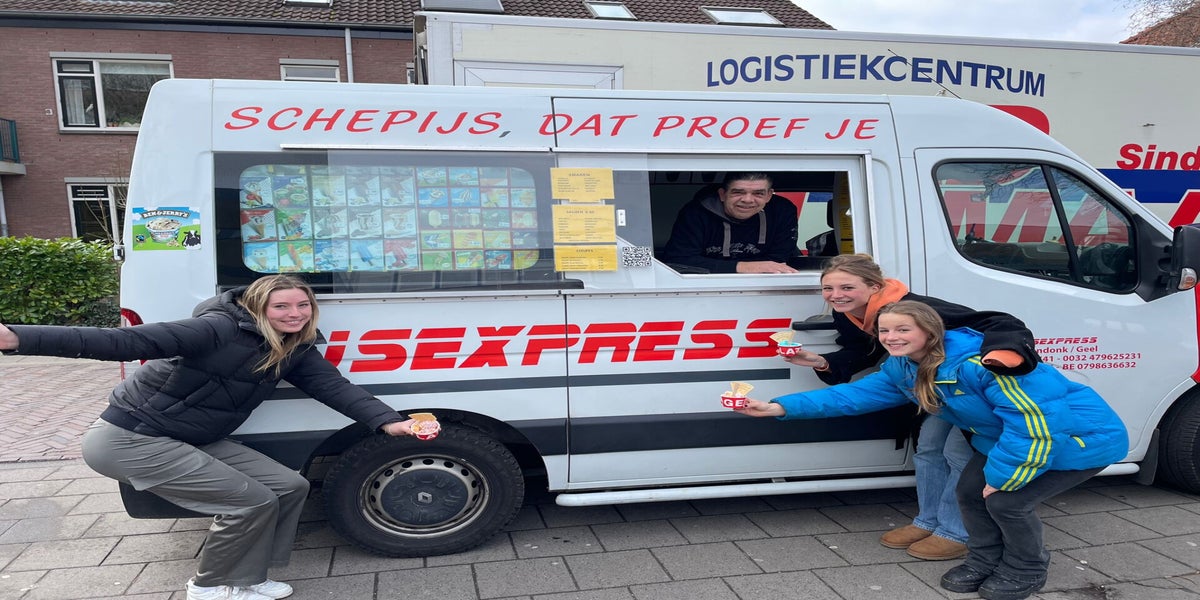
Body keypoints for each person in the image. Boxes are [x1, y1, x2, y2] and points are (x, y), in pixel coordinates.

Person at [0, 275, 419, 600]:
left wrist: (389, 422)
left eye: (303, 305)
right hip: (129, 438)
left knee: (289, 486)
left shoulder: (294, 347)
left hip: (187, 437)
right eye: (282, 306)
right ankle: (208, 586)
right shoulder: (217, 329)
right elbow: (123, 341)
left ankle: (248, 577)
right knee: (249, 502)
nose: (295, 314)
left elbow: (335, 388)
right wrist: (19, 338)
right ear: (258, 306)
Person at [739, 301, 1127, 600]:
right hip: (1007, 440)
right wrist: (778, 407)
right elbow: (849, 397)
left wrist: (1003, 479)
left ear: (930, 331)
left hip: (1077, 441)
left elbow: (1036, 424)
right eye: (885, 330)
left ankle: (1026, 569)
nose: (891, 337)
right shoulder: (904, 367)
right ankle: (984, 560)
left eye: (902, 329)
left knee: (1006, 502)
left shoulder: (983, 365)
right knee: (968, 494)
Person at [783, 254, 1042, 561]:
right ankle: (928, 521)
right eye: (828, 288)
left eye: (847, 287)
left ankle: (956, 530)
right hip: (937, 389)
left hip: (975, 390)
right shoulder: (849, 314)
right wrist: (822, 362)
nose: (836, 295)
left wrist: (1001, 357)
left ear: (874, 286)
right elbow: (862, 351)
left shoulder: (915, 307)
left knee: (958, 454)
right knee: (928, 448)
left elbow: (1001, 323)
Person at [661, 172, 800, 274]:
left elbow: (779, 260)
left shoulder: (782, 211)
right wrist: (743, 267)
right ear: (722, 194)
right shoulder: (696, 213)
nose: (747, 200)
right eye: (738, 192)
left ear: (769, 195)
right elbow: (678, 260)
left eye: (758, 193)